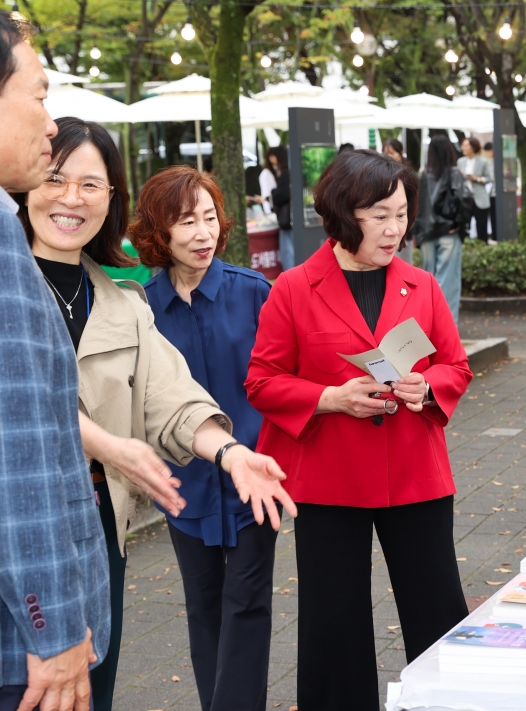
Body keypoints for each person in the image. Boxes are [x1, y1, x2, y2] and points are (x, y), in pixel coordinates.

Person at [15, 116, 297, 711]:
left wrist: (232, 451)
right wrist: (109, 445)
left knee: (96, 682)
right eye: (57, 177)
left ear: (111, 199)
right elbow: (21, 399)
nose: (72, 198)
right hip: (19, 528)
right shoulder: (9, 284)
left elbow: (171, 396)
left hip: (101, 526)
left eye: (93, 185)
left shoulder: (123, 302)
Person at [245, 150, 472, 711]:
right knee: (333, 621)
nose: (395, 229)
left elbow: (455, 365)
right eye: (379, 215)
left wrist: (428, 387)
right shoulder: (293, 288)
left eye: (401, 213)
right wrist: (329, 397)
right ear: (344, 213)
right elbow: (261, 381)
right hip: (329, 481)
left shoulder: (420, 286)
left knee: (437, 608)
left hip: (416, 474)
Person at [129, 165, 278, 711]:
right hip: (183, 490)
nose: (202, 233)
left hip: (253, 484)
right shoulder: (141, 309)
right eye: (186, 221)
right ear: (158, 233)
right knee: (204, 607)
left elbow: (284, 383)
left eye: (210, 218)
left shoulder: (256, 293)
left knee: (246, 604)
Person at [0, 11, 108, 711]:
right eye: (39, 94)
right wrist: (57, 626)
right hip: (27, 649)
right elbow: (20, 451)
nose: (50, 122)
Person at [413, 137, 467, 323]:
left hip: (426, 233)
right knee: (448, 282)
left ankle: (430, 327)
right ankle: (447, 329)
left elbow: (416, 207)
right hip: (448, 232)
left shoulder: (423, 176)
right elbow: (464, 199)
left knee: (429, 282)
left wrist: (417, 232)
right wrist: (459, 224)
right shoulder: (454, 173)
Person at [457, 136, 492, 240]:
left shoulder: (483, 162)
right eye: (463, 145)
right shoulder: (460, 161)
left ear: (473, 147)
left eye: (466, 145)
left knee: (481, 227)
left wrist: (476, 179)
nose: (463, 148)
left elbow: (489, 179)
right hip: (464, 198)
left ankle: (482, 248)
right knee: (464, 226)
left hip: (480, 198)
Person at [266, 146, 293, 270]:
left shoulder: (285, 173)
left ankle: (290, 279)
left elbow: (282, 194)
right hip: (291, 218)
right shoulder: (290, 171)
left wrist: (273, 193)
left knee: (288, 251)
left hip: (286, 218)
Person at [482, 141, 497, 241]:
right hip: (490, 193)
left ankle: (496, 236)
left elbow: (491, 178)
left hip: (495, 192)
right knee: (492, 215)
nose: (488, 153)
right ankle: (494, 235)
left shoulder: (496, 162)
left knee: (495, 215)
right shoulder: (489, 162)